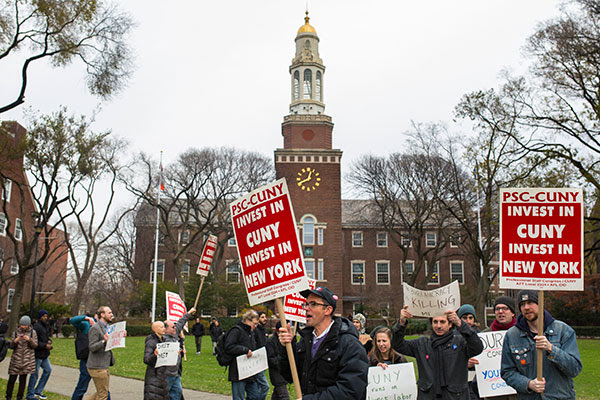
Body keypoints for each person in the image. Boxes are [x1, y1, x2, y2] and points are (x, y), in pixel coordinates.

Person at [278, 287, 368, 399]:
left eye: (313, 304)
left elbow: (350, 391)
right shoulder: (305, 341)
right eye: (305, 304)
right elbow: (289, 376)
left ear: (328, 310)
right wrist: (287, 346)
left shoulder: (349, 344)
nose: (306, 308)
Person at [501, 290, 582, 399]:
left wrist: (552, 349)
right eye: (522, 304)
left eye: (530, 303)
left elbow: (574, 369)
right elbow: (507, 371)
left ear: (540, 304)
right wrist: (528, 384)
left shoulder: (563, 330)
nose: (526, 307)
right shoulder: (512, 335)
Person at [392, 305, 484, 399]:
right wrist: (401, 323)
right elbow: (398, 345)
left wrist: (461, 325)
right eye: (435, 322)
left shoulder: (460, 343)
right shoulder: (422, 344)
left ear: (450, 324)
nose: (438, 326)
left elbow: (477, 347)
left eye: (442, 322)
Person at [480, 296, 517, 400]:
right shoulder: (484, 336)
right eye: (497, 309)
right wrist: (472, 363)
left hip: (518, 393)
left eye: (505, 308)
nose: (501, 312)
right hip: (494, 393)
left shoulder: (522, 333)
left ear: (513, 313)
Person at [69, 313, 112, 400]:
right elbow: (72, 320)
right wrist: (86, 318)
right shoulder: (86, 325)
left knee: (103, 389)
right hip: (87, 360)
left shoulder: (104, 326)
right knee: (82, 387)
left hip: (99, 361)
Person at [224, 310, 261, 400]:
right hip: (238, 371)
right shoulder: (236, 331)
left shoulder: (251, 333)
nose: (255, 327)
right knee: (239, 397)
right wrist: (244, 350)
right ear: (247, 320)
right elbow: (229, 347)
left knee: (255, 396)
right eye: (254, 324)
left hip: (250, 371)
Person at [87, 306, 122, 400]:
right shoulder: (95, 328)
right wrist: (103, 341)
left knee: (101, 392)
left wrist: (121, 335)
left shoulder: (108, 327)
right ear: (102, 314)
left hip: (104, 365)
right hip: (97, 367)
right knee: (103, 395)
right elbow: (92, 347)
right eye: (109, 313)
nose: (112, 315)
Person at [163, 308, 196, 400]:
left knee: (177, 392)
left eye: (174, 326)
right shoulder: (162, 340)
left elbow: (181, 322)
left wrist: (189, 313)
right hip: (167, 374)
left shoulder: (174, 334)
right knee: (165, 394)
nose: (175, 328)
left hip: (176, 373)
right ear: (165, 329)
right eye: (172, 327)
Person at [6, 316, 38, 400]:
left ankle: (19, 397)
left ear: (28, 325)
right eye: (21, 324)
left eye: (24, 325)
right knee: (12, 379)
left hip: (27, 360)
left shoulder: (33, 333)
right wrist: (16, 340)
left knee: (23, 381)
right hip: (16, 359)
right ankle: (8, 396)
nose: (22, 326)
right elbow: (11, 346)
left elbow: (35, 345)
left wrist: (29, 340)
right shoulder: (16, 332)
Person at [27, 310, 53, 400]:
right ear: (40, 317)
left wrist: (49, 341)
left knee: (48, 370)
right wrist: (45, 345)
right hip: (37, 354)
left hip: (44, 354)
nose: (45, 317)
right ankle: (29, 394)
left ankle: (38, 390)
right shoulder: (36, 327)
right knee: (34, 375)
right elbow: (34, 342)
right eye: (44, 316)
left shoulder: (45, 326)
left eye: (46, 316)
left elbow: (46, 338)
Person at [457, 304, 480, 400]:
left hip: (477, 380)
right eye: (464, 318)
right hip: (459, 380)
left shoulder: (480, 335)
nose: (468, 321)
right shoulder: (454, 336)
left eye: (471, 318)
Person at [143, 321, 168, 400]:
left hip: (162, 376)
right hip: (153, 376)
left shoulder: (164, 341)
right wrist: (155, 355)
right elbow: (146, 359)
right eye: (161, 327)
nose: (164, 329)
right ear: (155, 329)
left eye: (164, 327)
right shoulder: (151, 342)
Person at [266, 321, 290, 400]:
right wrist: (282, 362)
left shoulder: (285, 341)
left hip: (283, 373)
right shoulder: (271, 342)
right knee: (284, 396)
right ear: (277, 331)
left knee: (277, 394)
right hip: (276, 373)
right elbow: (271, 359)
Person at [255, 311, 270, 400]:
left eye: (265, 317)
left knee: (258, 386)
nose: (265, 319)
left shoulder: (264, 330)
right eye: (262, 317)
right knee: (265, 386)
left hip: (264, 359)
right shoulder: (256, 330)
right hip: (257, 359)